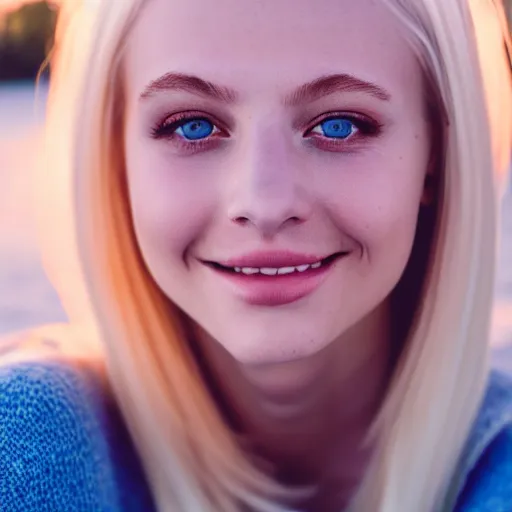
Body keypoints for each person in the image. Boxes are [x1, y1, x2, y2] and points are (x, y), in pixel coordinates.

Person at [1, 0, 512, 510]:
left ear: (437, 157)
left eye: (339, 125)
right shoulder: (26, 441)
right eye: (192, 126)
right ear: (115, 157)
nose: (264, 204)